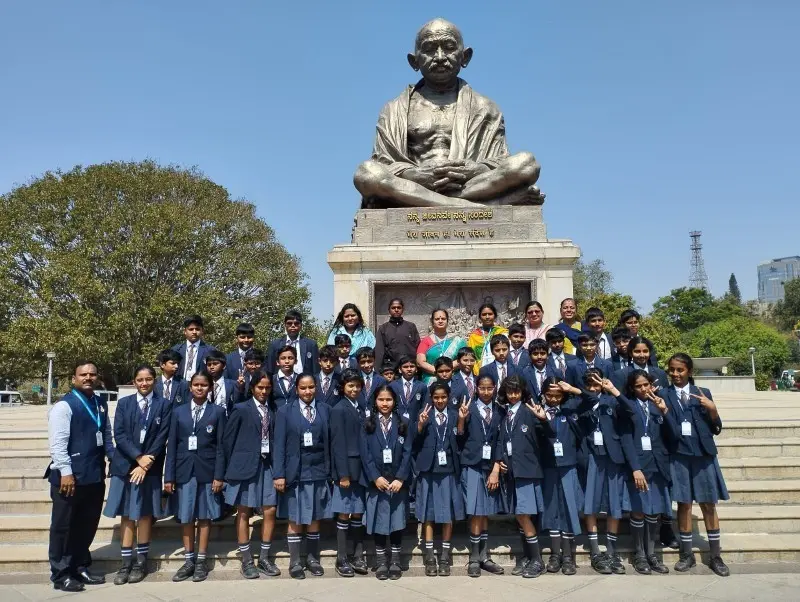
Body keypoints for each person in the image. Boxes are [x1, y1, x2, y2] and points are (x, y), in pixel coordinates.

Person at [353, 18, 542, 209]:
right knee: (366, 173)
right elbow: (384, 162)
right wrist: (413, 175)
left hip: (471, 184)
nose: (440, 56)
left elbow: (499, 160)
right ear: (414, 61)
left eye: (449, 47)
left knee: (527, 163)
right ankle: (486, 206)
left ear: (464, 56)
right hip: (414, 184)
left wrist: (479, 169)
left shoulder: (486, 107)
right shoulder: (393, 109)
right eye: (429, 49)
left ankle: (441, 202)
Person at [46, 361, 114, 592]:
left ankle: (80, 566)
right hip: (69, 478)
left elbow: (106, 434)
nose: (88, 378)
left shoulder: (99, 402)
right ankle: (61, 573)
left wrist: (114, 459)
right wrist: (65, 472)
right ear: (74, 378)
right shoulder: (64, 406)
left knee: (86, 525)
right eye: (83, 374)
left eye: (92, 374)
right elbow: (57, 445)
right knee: (63, 527)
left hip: (94, 475)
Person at [663, 353, 730, 577]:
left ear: (689, 371)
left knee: (709, 504)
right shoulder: (664, 394)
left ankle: (716, 555)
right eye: (672, 370)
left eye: (680, 370)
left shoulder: (703, 393)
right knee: (684, 505)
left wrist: (712, 409)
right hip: (679, 456)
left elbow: (716, 427)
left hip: (703, 456)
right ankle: (686, 555)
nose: (675, 374)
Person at [104, 365, 171, 585]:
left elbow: (162, 437)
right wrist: (137, 458)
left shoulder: (164, 405)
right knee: (126, 514)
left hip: (149, 469)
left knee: (143, 515)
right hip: (125, 467)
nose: (144, 383)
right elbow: (120, 435)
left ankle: (141, 561)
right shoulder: (124, 404)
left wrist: (145, 463)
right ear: (134, 382)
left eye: (149, 379)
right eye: (140, 380)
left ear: (155, 381)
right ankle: (126, 563)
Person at [164, 370, 226, 583]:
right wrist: (168, 477)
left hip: (208, 472)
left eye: (204, 385)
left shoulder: (217, 412)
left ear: (210, 388)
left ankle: (201, 560)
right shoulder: (178, 412)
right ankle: (189, 559)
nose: (200, 388)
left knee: (205, 516)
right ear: (190, 387)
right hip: (184, 471)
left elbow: (221, 447)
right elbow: (171, 445)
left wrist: (219, 475)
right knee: (186, 516)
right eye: (196, 384)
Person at [273, 374, 333, 580]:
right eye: (303, 388)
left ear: (316, 388)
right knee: (295, 517)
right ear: (296, 389)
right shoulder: (284, 412)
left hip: (318, 471)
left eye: (310, 387)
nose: (307, 392)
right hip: (295, 473)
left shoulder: (325, 410)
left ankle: (313, 559)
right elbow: (279, 445)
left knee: (315, 516)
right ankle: (295, 561)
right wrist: (279, 474)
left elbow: (330, 443)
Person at [223, 370, 281, 579]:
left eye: (267, 388)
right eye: (260, 387)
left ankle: (264, 556)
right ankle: (246, 558)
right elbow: (227, 443)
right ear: (252, 388)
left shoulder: (274, 409)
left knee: (270, 509)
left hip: (268, 465)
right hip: (245, 467)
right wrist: (226, 472)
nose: (264, 391)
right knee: (244, 511)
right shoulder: (240, 409)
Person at [577, 371, 636, 576]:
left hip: (613, 458)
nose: (593, 388)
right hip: (592, 458)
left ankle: (611, 551)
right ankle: (595, 551)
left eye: (596, 384)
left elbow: (631, 410)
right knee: (590, 505)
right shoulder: (581, 404)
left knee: (614, 504)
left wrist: (614, 391)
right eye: (589, 385)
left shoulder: (612, 401)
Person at [618, 370, 674, 575]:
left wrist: (665, 411)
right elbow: (625, 440)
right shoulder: (628, 407)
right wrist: (635, 468)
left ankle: (653, 554)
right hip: (639, 467)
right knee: (639, 511)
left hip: (658, 465)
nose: (643, 389)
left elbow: (673, 434)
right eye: (638, 386)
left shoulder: (658, 405)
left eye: (646, 385)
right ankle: (640, 554)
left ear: (652, 385)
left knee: (654, 511)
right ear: (632, 388)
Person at [496, 375, 551, 579]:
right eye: (509, 392)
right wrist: (501, 461)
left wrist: (543, 419)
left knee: (524, 514)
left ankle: (537, 560)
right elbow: (503, 441)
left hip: (527, 471)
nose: (513, 395)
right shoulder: (505, 413)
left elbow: (549, 434)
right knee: (519, 515)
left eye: (516, 391)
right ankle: (528, 556)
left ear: (523, 392)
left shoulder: (529, 411)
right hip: (511, 472)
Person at [360, 385, 414, 580]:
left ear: (395, 401)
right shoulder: (367, 424)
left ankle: (396, 561)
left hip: (398, 483)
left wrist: (400, 477)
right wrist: (375, 477)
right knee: (380, 522)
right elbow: (365, 454)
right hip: (378, 482)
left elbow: (408, 453)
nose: (385, 403)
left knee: (397, 522)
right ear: (375, 401)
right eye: (381, 400)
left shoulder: (403, 423)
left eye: (389, 400)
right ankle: (382, 561)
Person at [413, 381, 466, 577]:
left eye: (443, 397)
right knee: (428, 513)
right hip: (428, 470)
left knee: (447, 514)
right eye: (436, 397)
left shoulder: (455, 415)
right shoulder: (424, 415)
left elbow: (461, 440)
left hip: (449, 470)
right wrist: (419, 425)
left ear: (449, 397)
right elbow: (414, 442)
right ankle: (429, 555)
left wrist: (461, 421)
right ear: (431, 398)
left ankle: (444, 555)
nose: (440, 401)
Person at [457, 373, 506, 577]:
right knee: (476, 511)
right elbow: (459, 436)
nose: (486, 392)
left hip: (491, 468)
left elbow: (502, 440)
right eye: (482, 388)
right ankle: (474, 557)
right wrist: (461, 420)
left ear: (495, 388)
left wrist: (496, 469)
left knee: (485, 511)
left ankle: (485, 556)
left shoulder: (500, 410)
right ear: (476, 388)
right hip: (472, 465)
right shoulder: (467, 409)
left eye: (490, 388)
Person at [538, 377, 585, 576]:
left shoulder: (570, 410)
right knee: (552, 510)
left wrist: (573, 388)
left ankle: (568, 555)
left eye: (558, 395)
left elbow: (590, 400)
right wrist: (541, 419)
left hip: (568, 467)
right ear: (543, 395)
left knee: (568, 509)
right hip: (548, 468)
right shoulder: (538, 413)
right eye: (549, 395)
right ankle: (555, 554)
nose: (554, 399)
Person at [331, 369, 370, 577]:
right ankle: (341, 557)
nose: (354, 389)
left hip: (361, 469)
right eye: (350, 386)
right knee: (344, 513)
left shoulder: (361, 407)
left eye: (357, 385)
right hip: (346, 470)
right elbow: (338, 444)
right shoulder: (339, 409)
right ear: (343, 387)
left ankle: (357, 554)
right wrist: (342, 474)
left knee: (357, 512)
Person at [416, 309, 466, 384]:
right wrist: (438, 371)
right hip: (431, 381)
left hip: (453, 379)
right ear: (432, 322)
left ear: (447, 321)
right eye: (437, 319)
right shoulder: (425, 341)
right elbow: (420, 362)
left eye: (443, 319)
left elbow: (464, 359)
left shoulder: (457, 341)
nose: (440, 321)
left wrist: (446, 370)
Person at [268, 310, 320, 376]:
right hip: (281, 383)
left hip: (304, 384)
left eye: (296, 323)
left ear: (301, 325)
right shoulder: (275, 345)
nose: (293, 326)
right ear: (285, 325)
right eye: (289, 323)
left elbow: (316, 370)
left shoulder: (311, 344)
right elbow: (270, 369)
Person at [375, 298, 420, 370]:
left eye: (399, 307)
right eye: (393, 308)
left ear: (402, 309)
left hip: (409, 367)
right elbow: (379, 351)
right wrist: (378, 370)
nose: (396, 310)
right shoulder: (383, 328)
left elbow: (418, 346)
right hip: (392, 369)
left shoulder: (411, 326)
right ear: (389, 310)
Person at [172, 315, 217, 381]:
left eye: (197, 329)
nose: (194, 332)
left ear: (202, 331)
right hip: (180, 386)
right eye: (191, 329)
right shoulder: (176, 350)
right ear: (185, 331)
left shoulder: (210, 350)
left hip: (200, 387)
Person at [467, 303, 509, 373]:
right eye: (484, 314)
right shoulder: (474, 336)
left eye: (490, 314)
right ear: (480, 317)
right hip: (479, 372)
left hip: (499, 370)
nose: (487, 317)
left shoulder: (502, 332)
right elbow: (471, 356)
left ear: (495, 316)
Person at [389, 355, 427, 424]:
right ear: (400, 370)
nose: (409, 369)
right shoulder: (393, 386)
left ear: (416, 369)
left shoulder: (422, 386)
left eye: (412, 366)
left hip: (415, 423)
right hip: (396, 423)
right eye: (405, 367)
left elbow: (423, 406)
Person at [204, 349, 242, 415]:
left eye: (215, 364)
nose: (212, 367)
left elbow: (236, 406)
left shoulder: (233, 385)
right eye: (209, 364)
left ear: (224, 366)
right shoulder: (203, 384)